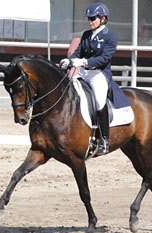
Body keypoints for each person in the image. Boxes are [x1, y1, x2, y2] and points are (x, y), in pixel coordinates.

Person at [60, 2, 117, 154]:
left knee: (99, 100)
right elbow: (78, 52)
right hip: (84, 72)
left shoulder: (110, 37)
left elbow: (105, 58)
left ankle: (104, 139)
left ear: (103, 19)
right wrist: (70, 60)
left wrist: (85, 62)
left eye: (93, 18)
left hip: (99, 74)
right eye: (89, 19)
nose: (90, 21)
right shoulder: (86, 35)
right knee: (68, 90)